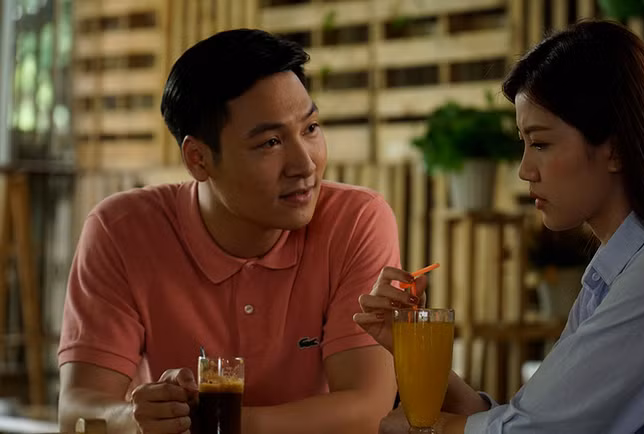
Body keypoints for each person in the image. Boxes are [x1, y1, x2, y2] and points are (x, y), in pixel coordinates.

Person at [355, 20, 644, 433]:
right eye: (523, 144)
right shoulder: (614, 275)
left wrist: (431, 430)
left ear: (616, 149)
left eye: (541, 143)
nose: (524, 170)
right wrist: (408, 344)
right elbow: (535, 418)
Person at [58, 28, 400, 434]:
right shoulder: (121, 231)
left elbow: (368, 410)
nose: (305, 164)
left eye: (310, 128)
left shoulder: (357, 220)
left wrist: (217, 422)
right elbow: (76, 411)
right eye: (270, 142)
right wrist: (134, 418)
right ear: (198, 159)